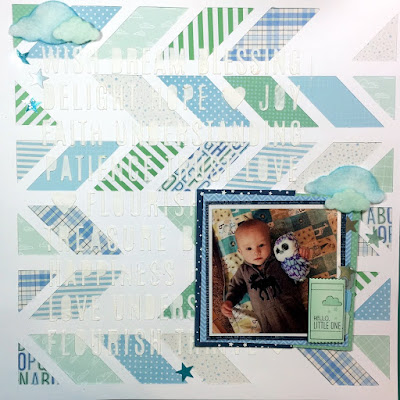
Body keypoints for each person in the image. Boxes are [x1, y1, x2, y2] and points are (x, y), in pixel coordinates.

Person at [220, 219, 308, 333]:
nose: (256, 252)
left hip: (294, 312)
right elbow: (236, 288)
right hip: (269, 322)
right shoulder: (243, 271)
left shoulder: (278, 259)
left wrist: (301, 257)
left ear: (270, 243)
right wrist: (229, 301)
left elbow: (295, 267)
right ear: (240, 252)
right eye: (249, 248)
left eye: (261, 245)